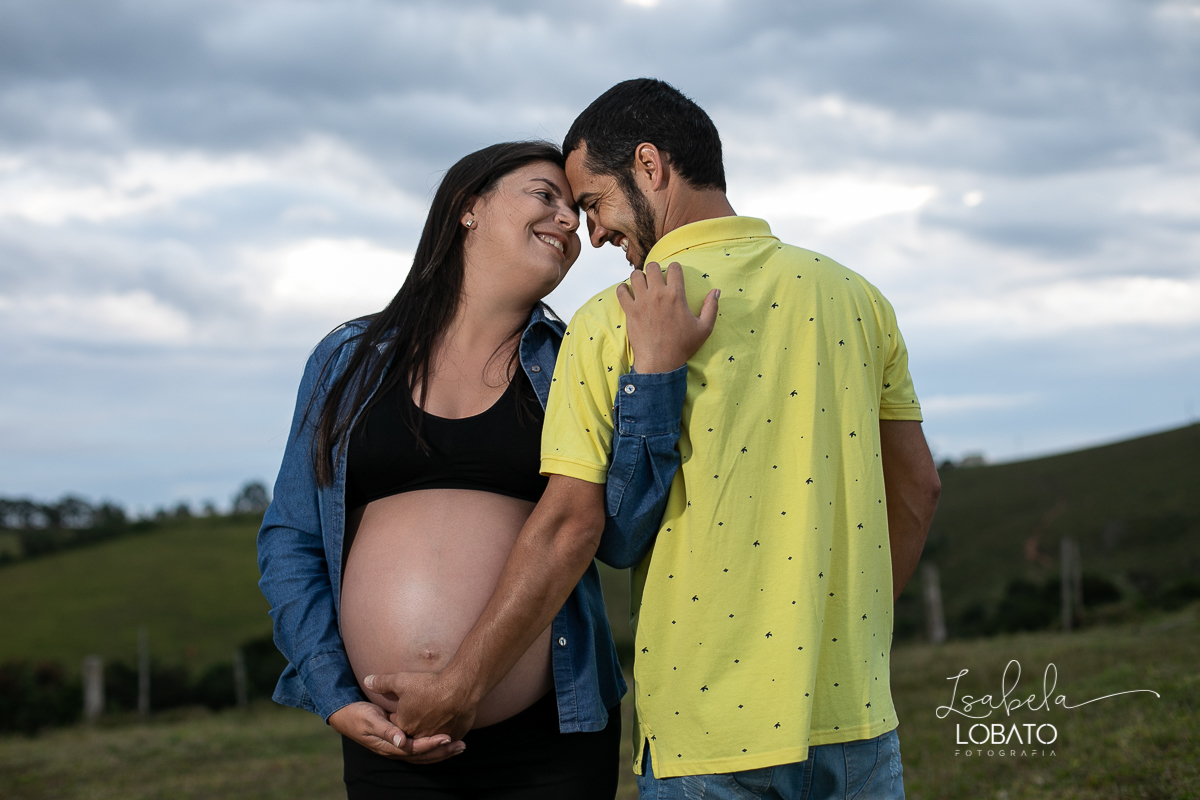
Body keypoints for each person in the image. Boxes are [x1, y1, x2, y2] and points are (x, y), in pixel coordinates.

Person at [370, 81, 942, 800]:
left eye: (592, 204)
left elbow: (585, 531)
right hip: (855, 721)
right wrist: (851, 635)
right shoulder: (859, 298)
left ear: (649, 166)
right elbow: (918, 488)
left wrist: (459, 684)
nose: (596, 234)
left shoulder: (611, 321)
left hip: (704, 735)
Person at [256, 140, 716, 799]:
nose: (571, 222)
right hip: (391, 736)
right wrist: (332, 694)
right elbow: (292, 537)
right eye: (545, 196)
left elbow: (620, 534)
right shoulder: (347, 359)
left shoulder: (573, 359)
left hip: (549, 741)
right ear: (469, 207)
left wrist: (658, 375)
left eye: (578, 211)